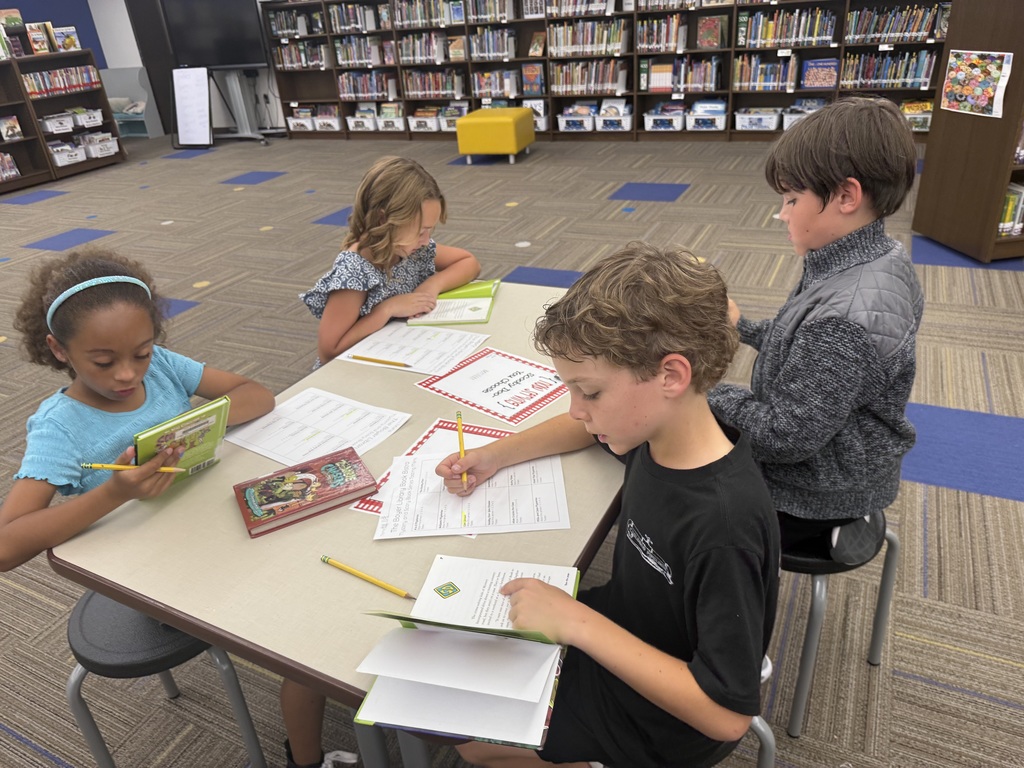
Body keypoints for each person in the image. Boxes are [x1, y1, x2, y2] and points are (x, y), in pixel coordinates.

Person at [435, 243, 780, 768]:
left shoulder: (722, 525)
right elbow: (579, 429)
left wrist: (576, 624)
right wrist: (492, 454)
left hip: (666, 718)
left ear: (671, 375)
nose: (577, 410)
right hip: (626, 630)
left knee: (471, 737)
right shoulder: (655, 432)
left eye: (589, 392)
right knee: (459, 654)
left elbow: (726, 715)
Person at [707, 96, 925, 565]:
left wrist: (705, 393)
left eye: (791, 199)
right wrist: (743, 327)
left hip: (813, 497)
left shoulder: (844, 318)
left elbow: (784, 438)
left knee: (668, 458)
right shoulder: (877, 256)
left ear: (846, 196)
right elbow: (806, 348)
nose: (782, 214)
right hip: (839, 459)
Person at [0, 249, 276, 573]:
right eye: (104, 362)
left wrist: (194, 427)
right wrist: (114, 494)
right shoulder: (60, 427)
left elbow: (258, 396)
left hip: (210, 517)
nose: (128, 374)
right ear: (59, 349)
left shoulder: (161, 365)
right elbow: (6, 548)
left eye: (141, 353)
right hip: (146, 561)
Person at [300, 155, 480, 367]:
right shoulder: (355, 271)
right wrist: (387, 309)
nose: (426, 240)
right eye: (421, 231)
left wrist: (431, 286)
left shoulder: (410, 249)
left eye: (429, 230)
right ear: (384, 220)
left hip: (403, 350)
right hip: (356, 370)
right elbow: (328, 352)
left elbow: (469, 262)